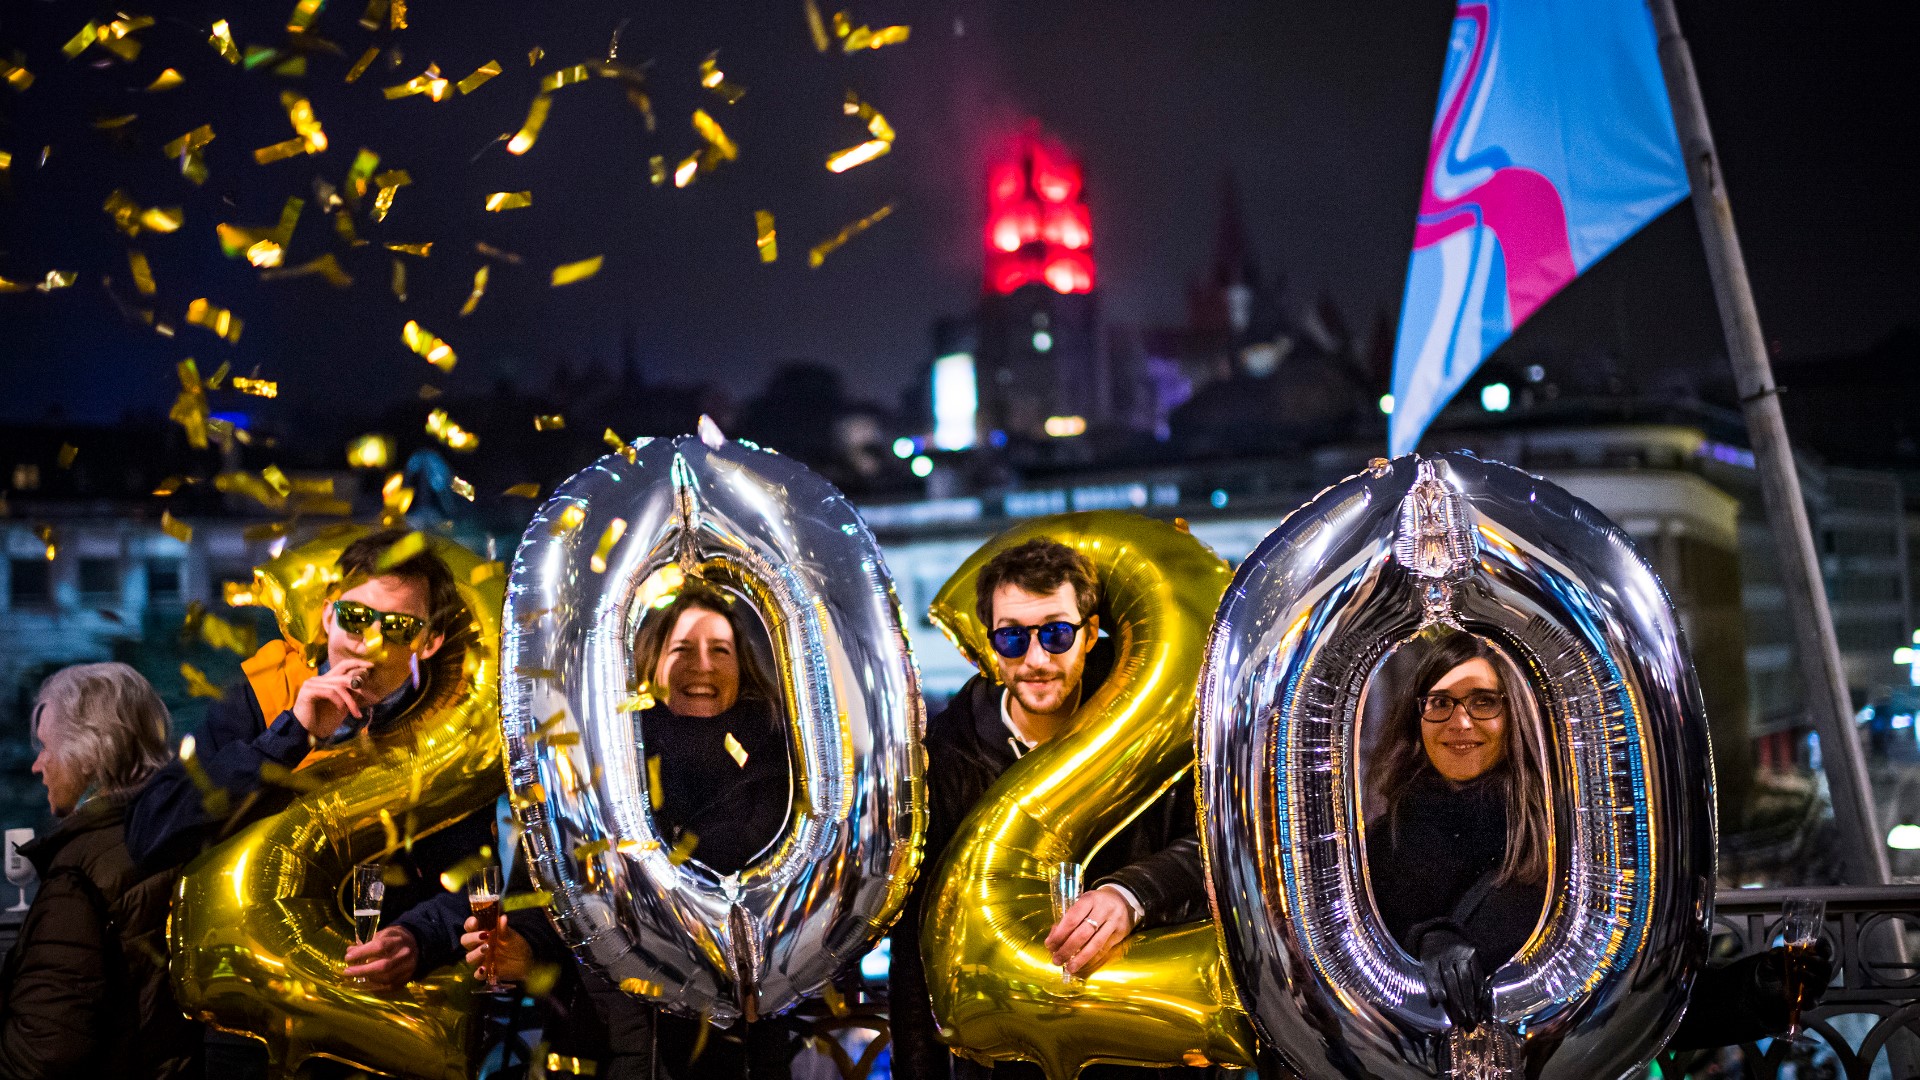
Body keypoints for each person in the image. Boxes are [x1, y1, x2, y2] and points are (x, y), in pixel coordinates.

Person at [124, 528, 496, 1069]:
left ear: (430, 642)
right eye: (355, 618)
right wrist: (288, 736)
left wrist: (421, 936)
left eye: (396, 627)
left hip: (383, 1024)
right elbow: (151, 832)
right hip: (255, 1022)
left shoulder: (453, 730)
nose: (369, 643)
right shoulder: (264, 691)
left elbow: (485, 878)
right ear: (327, 616)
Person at [1365, 629, 1834, 1046]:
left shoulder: (1571, 845)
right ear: (1416, 717)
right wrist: (1422, 943)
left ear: (1518, 717)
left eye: (1483, 701)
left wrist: (1754, 989)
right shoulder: (1375, 850)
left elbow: (1633, 999)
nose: (1459, 722)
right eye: (1439, 702)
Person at [890, 538, 1212, 1080]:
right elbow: (916, 941)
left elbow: (1216, 844)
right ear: (992, 647)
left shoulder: (1156, 731)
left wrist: (1133, 893)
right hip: (1005, 1059)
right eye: (1013, 638)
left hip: (1138, 1047)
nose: (1036, 660)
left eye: (1056, 634)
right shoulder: (945, 757)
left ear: (1089, 635)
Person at [451, 583, 801, 1078]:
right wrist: (523, 947)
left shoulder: (781, 770)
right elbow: (550, 886)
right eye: (682, 649)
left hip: (738, 1057)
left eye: (719, 650)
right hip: (603, 1048)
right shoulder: (596, 766)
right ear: (650, 666)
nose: (702, 665)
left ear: (742, 668)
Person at [0, 663, 201, 1079]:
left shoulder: (80, 875)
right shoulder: (188, 834)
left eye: (46, 747)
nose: (38, 765)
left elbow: (45, 1054)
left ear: (87, 753)